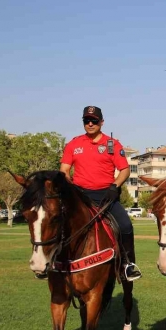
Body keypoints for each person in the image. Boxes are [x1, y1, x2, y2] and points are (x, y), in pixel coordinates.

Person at [60, 106, 141, 281]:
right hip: (80, 196)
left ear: (101, 122)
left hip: (106, 196)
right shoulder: (73, 144)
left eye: (94, 121)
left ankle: (127, 265)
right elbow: (64, 170)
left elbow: (125, 170)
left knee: (126, 225)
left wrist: (115, 186)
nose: (90, 124)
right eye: (86, 121)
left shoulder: (112, 144)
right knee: (56, 223)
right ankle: (53, 261)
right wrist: (69, 184)